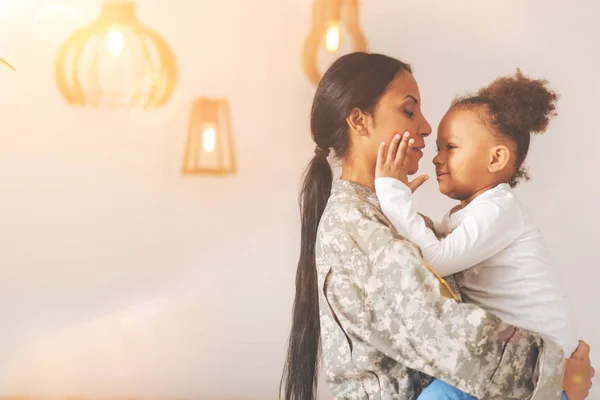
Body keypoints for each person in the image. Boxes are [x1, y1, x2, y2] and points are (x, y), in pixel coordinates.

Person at [279, 52, 594, 400]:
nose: (426, 128)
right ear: (360, 121)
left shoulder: (378, 216)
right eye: (409, 111)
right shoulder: (354, 223)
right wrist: (556, 375)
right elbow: (442, 330)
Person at [373, 70, 578, 400]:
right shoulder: (470, 213)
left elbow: (432, 261)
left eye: (451, 147)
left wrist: (392, 194)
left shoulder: (499, 210)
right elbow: (426, 248)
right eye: (439, 147)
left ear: (496, 158)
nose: (436, 157)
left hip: (538, 371)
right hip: (506, 361)